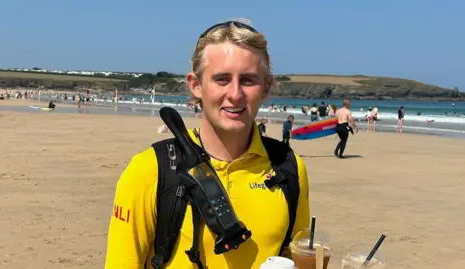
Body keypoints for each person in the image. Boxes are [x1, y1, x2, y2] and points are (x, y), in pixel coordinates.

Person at [104, 20, 310, 269]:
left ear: (266, 87)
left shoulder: (288, 167)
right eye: (222, 79)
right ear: (196, 85)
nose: (235, 94)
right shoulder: (150, 170)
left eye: (248, 80)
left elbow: (298, 258)